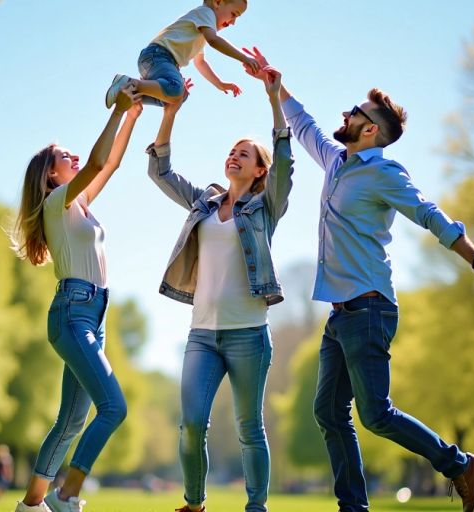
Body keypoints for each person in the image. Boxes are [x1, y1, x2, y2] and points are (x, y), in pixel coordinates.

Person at [242, 48, 474, 512]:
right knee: (328, 413)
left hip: (369, 308)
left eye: (356, 112)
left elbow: (428, 213)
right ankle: (353, 507)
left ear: (370, 129)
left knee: (374, 413)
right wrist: (275, 86)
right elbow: (305, 125)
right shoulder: (335, 161)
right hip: (341, 313)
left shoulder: (384, 173)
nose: (346, 113)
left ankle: (460, 465)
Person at [146, 68, 293, 512]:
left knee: (250, 427)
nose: (234, 156)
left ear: (259, 169)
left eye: (244, 154)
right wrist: (170, 111)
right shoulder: (203, 203)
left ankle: (256, 508)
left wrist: (273, 101)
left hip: (249, 334)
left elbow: (286, 164)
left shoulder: (266, 206)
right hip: (202, 335)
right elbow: (160, 169)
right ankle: (195, 504)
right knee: (191, 423)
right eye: (232, 151)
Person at [10, 87, 141, 512]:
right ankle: (67, 495)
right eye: (65, 156)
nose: (74, 158)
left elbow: (112, 163)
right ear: (50, 174)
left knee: (70, 421)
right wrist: (116, 109)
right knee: (113, 407)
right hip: (72, 313)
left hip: (92, 315)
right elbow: (100, 160)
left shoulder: (78, 202)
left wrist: (133, 117)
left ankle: (32, 504)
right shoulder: (56, 202)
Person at [104, 0, 260, 109]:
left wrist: (220, 84)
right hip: (158, 56)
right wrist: (244, 58)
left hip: (158, 62)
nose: (233, 22)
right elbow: (214, 41)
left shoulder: (200, 32)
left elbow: (200, 63)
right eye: (234, 14)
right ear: (218, 2)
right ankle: (128, 83)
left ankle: (129, 95)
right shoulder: (206, 13)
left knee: (177, 98)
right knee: (176, 87)